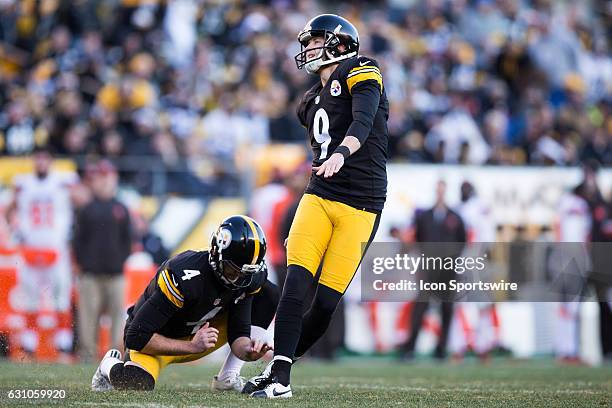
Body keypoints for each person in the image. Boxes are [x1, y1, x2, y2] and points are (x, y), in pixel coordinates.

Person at [246, 14, 389, 398]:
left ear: (340, 44)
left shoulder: (362, 70)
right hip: (320, 196)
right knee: (296, 286)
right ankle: (280, 378)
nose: (307, 48)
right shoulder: (309, 101)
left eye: (315, 40)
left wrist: (343, 152)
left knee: (325, 304)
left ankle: (280, 364)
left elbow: (363, 119)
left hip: (361, 203)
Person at [91, 215, 278, 391]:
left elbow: (238, 332)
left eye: (245, 273)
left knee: (268, 293)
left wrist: (249, 351)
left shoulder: (248, 278)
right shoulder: (184, 276)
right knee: (135, 382)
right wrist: (192, 346)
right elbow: (136, 336)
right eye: (232, 270)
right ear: (216, 254)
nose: (239, 279)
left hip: (203, 335)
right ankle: (108, 364)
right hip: (158, 339)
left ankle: (228, 376)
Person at [7, 147, 78, 356]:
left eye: (44, 158)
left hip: (56, 246)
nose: (41, 163)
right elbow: (9, 206)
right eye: (37, 158)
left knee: (61, 296)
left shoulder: (63, 181)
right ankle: (29, 343)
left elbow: (80, 198)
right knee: (30, 296)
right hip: (31, 246)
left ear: (51, 161)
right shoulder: (23, 183)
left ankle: (63, 342)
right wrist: (15, 228)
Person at [398, 180, 466, 360]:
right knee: (420, 307)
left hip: (448, 269)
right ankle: (410, 349)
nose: (440, 194)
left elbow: (462, 242)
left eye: (443, 190)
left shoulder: (455, 217)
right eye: (438, 190)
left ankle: (441, 349)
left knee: (446, 309)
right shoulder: (425, 216)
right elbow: (417, 240)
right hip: (428, 268)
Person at [73, 160, 132, 362]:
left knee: (118, 317)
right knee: (88, 316)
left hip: (116, 273)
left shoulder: (122, 208)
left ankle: (114, 355)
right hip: (91, 273)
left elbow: (128, 240)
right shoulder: (86, 209)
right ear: (94, 181)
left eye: (108, 177)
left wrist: (120, 261)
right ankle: (87, 353)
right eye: (101, 177)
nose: (105, 182)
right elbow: (77, 241)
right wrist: (84, 264)